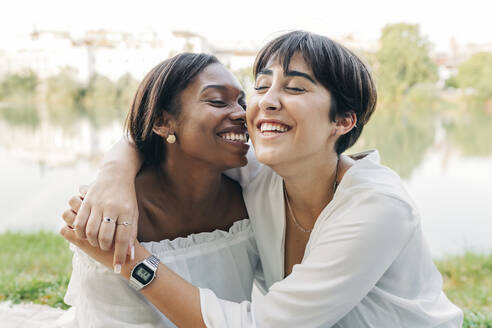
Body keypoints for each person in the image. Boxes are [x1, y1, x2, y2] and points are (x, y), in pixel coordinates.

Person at [62, 31, 463, 327]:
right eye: (261, 86)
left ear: (342, 120)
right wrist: (113, 176)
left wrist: (132, 262)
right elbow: (166, 131)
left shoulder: (377, 206)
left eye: (294, 88)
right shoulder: (261, 171)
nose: (265, 101)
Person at [59, 53, 260, 327]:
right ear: (163, 122)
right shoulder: (114, 215)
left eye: (242, 102)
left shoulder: (253, 196)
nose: (241, 114)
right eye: (217, 101)